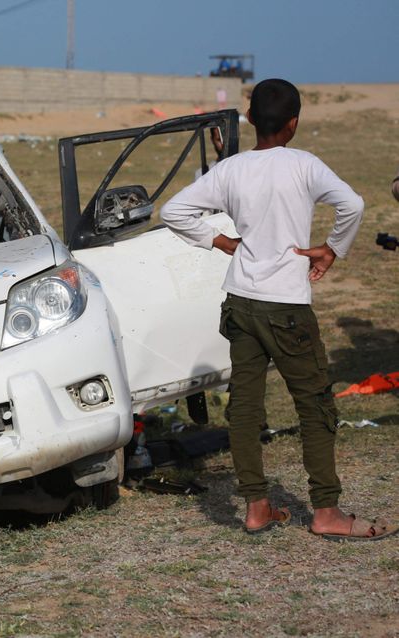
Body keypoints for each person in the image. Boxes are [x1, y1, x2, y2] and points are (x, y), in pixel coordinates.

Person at [161, 79, 395, 541]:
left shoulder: (231, 170)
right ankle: (326, 511)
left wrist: (222, 240)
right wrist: (331, 249)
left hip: (241, 303)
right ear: (294, 123)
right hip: (287, 307)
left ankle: (256, 506)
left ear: (249, 120)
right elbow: (353, 203)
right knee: (315, 405)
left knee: (246, 407)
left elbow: (174, 211)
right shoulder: (304, 165)